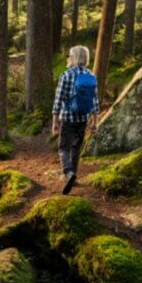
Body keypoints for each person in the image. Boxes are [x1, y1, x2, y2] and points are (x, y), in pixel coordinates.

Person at [52, 45, 101, 195]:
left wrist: (55, 121)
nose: (68, 58)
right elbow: (95, 101)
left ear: (74, 58)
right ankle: (73, 175)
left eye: (69, 56)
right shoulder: (91, 75)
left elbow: (58, 100)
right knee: (76, 148)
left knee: (63, 148)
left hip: (68, 117)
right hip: (83, 118)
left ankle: (68, 173)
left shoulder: (66, 75)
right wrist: (95, 122)